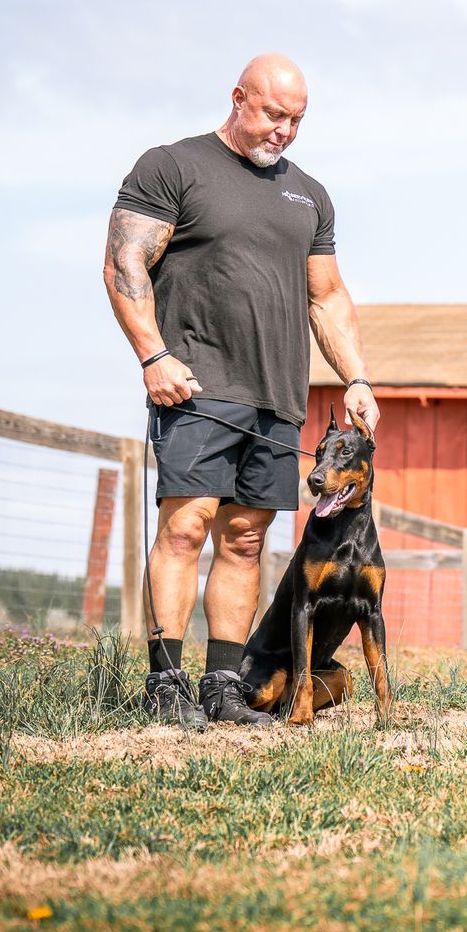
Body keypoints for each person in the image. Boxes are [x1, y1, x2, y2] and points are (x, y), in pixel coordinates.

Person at [103, 53, 379, 727]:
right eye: (272, 114)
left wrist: (357, 377)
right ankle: (166, 685)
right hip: (195, 382)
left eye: (296, 120)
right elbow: (124, 260)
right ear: (238, 98)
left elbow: (327, 296)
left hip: (276, 393)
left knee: (248, 540)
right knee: (186, 526)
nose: (282, 130)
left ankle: (222, 686)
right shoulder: (174, 167)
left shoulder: (309, 195)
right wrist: (153, 355)